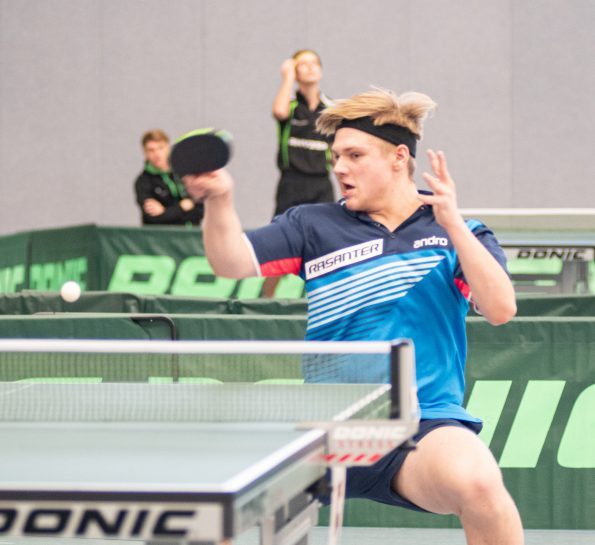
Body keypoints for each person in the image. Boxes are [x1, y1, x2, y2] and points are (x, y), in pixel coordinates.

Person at [182, 87, 523, 545]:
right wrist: (219, 199)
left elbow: (501, 309)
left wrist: (455, 226)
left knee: (480, 484)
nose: (339, 167)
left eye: (355, 155)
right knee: (213, 506)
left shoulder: (460, 233)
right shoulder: (312, 224)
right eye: (337, 156)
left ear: (399, 157)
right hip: (325, 429)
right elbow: (231, 261)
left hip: (421, 424)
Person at [265, 49, 335, 296]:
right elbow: (279, 112)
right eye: (302, 64)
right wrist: (287, 78)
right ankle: (265, 301)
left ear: (321, 70)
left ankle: (323, 298)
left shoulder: (331, 109)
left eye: (314, 63)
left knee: (324, 244)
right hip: (291, 183)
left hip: (321, 184)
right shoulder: (291, 106)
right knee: (280, 244)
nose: (310, 67)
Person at [134, 129, 203, 226]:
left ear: (168, 148)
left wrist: (165, 211)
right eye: (151, 150)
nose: (157, 154)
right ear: (145, 153)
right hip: (162, 234)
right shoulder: (143, 182)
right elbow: (154, 218)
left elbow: (201, 208)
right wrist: (182, 207)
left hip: (192, 232)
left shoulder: (185, 172)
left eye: (160, 148)